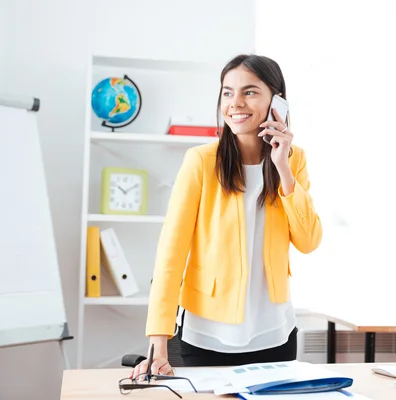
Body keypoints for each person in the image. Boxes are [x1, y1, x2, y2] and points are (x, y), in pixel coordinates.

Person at [131, 54, 322, 379]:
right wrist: (158, 346)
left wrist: (283, 169)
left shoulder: (293, 160)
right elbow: (170, 256)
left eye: (249, 92)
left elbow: (308, 241)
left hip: (275, 332)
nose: (235, 103)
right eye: (227, 92)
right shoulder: (201, 162)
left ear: (277, 101)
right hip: (207, 334)